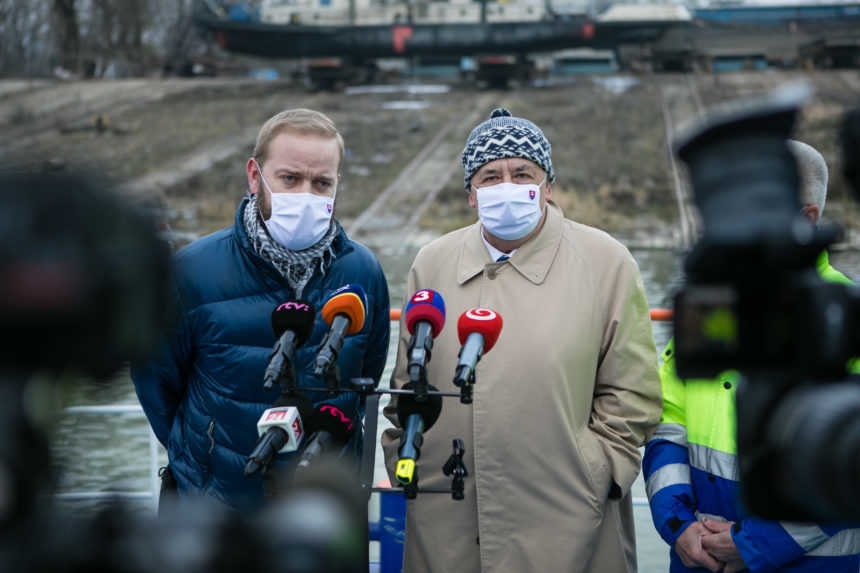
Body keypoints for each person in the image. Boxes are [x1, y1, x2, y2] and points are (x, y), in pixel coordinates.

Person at [381, 108, 662, 572]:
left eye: (522, 173)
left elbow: (634, 392)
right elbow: (407, 390)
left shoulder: (607, 262)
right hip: (446, 518)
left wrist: (598, 471)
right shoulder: (431, 263)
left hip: (571, 518)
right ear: (470, 194)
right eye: (489, 175)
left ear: (547, 186)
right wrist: (407, 462)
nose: (506, 185)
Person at [132, 108, 390, 511]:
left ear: (337, 185)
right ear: (255, 175)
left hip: (326, 510)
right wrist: (207, 464)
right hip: (215, 510)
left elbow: (367, 375)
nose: (306, 194)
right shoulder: (191, 271)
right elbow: (156, 382)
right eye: (290, 178)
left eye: (321, 183)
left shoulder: (363, 271)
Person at [644, 139, 860, 572]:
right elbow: (667, 422)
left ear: (807, 219)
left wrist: (753, 544)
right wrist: (678, 525)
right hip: (698, 560)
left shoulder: (846, 319)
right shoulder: (709, 311)